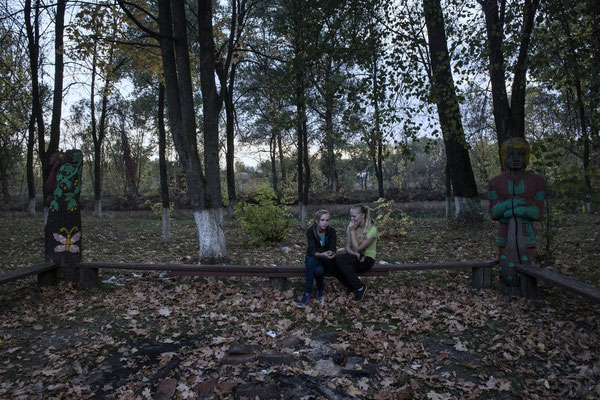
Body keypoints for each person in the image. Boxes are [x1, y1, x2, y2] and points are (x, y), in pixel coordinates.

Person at [489, 137, 546, 286]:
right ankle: (507, 285)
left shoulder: (537, 182)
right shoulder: (495, 183)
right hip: (504, 233)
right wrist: (512, 203)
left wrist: (514, 210)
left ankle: (528, 288)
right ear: (503, 157)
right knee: (506, 265)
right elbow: (494, 213)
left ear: (526, 157)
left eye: (520, 154)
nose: (515, 159)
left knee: (528, 264)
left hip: (527, 233)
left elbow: (538, 213)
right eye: (510, 155)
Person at [334, 204, 377, 301]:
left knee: (340, 260)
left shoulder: (372, 229)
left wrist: (352, 231)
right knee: (333, 261)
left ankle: (359, 288)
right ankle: (353, 285)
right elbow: (348, 248)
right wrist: (355, 254)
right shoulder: (351, 227)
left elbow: (357, 248)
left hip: (366, 259)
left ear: (363, 215)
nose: (352, 219)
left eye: (354, 216)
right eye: (351, 216)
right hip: (354, 257)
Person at [298, 210, 337, 307]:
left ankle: (308, 294)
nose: (325, 222)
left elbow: (333, 248)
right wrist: (321, 254)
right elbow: (311, 250)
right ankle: (316, 291)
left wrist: (330, 253)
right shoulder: (310, 231)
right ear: (316, 220)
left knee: (312, 262)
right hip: (314, 257)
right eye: (322, 220)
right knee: (317, 270)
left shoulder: (331, 231)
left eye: (327, 220)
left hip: (326, 260)